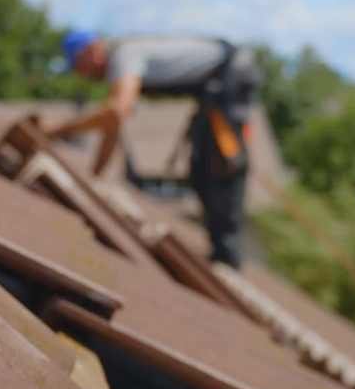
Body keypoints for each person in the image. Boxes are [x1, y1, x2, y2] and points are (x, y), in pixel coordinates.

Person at [46, 32, 261, 268]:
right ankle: (222, 252)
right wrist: (94, 179)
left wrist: (58, 130)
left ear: (91, 50)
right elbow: (113, 125)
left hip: (229, 76)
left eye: (79, 65)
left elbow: (118, 112)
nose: (82, 74)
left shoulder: (124, 56)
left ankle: (227, 258)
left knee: (221, 165)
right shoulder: (122, 61)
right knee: (200, 169)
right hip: (216, 85)